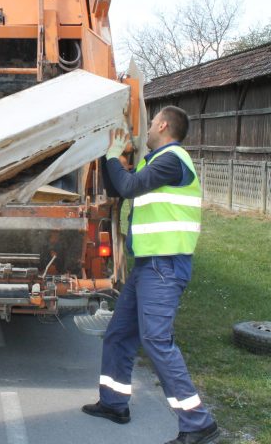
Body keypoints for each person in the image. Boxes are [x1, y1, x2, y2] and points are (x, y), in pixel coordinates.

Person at [82, 106, 218, 444]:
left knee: (157, 339)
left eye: (153, 120)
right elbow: (120, 187)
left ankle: (198, 423)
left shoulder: (173, 159)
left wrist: (115, 157)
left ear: (163, 124)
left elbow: (127, 187)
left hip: (165, 266)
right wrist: (109, 157)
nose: (148, 125)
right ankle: (114, 403)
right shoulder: (154, 162)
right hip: (148, 266)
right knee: (119, 334)